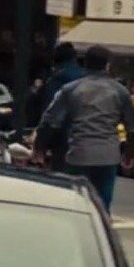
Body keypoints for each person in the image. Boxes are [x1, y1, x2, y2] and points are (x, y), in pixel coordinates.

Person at [35, 45, 134, 213]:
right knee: (102, 203)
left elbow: (50, 121)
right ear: (107, 66)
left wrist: (39, 149)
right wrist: (129, 153)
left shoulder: (70, 89)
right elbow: (133, 126)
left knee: (74, 200)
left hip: (78, 152)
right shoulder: (120, 91)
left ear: (85, 64)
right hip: (107, 155)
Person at [36, 42, 85, 171]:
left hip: (63, 140)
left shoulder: (56, 81)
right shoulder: (87, 80)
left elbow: (50, 115)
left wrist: (41, 145)